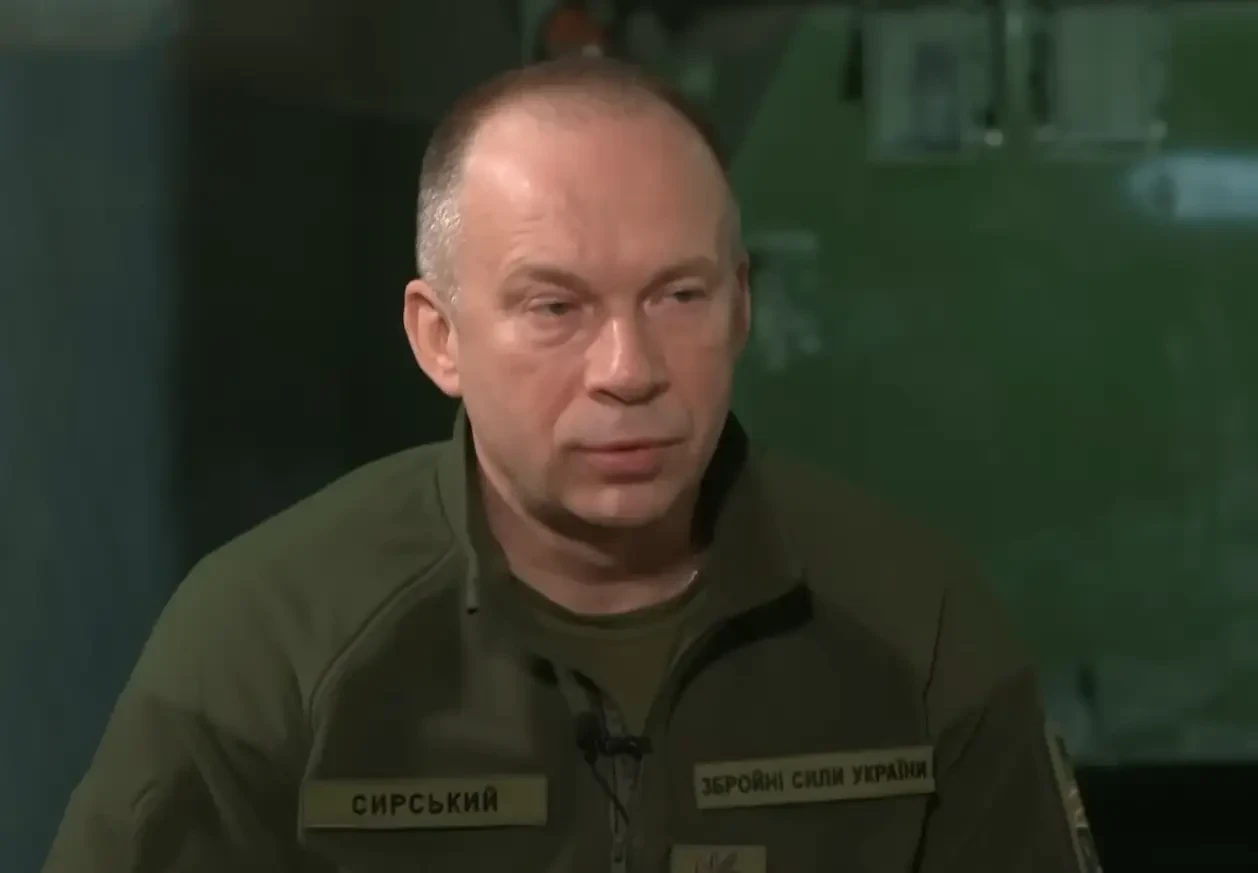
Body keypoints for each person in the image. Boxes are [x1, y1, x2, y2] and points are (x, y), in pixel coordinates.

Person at [43, 57, 1101, 873]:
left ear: (740, 306)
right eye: (555, 307)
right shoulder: (270, 639)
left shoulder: (916, 621)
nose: (628, 369)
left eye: (678, 296)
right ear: (438, 337)